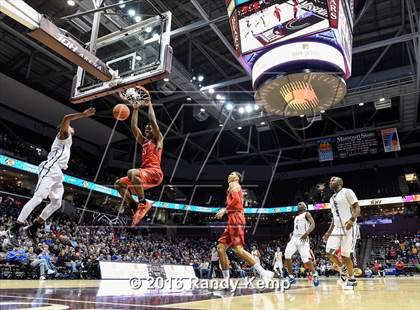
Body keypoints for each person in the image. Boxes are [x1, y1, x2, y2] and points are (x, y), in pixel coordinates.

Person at [7, 108, 96, 246]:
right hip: (50, 167)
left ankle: (34, 227)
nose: (71, 128)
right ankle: (15, 228)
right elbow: (66, 117)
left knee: (57, 203)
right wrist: (83, 115)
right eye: (69, 127)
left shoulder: (68, 142)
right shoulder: (63, 135)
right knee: (37, 198)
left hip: (58, 172)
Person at [215, 172, 273, 289]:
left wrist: (224, 210)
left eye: (231, 174)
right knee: (220, 248)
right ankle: (226, 280)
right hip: (233, 219)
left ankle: (264, 273)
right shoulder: (234, 186)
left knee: (238, 250)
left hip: (236, 218)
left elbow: (236, 201)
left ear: (237, 177)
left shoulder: (233, 185)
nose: (228, 176)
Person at [114, 100, 163, 225]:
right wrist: (135, 109)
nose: (147, 127)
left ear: (155, 130)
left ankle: (143, 202)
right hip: (144, 174)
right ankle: (134, 206)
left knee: (132, 172)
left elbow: (152, 121)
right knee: (118, 184)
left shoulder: (158, 139)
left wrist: (150, 104)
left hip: (155, 173)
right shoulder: (144, 141)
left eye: (150, 127)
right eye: (146, 126)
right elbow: (134, 128)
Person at [323, 176, 360, 289]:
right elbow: (334, 218)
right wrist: (328, 232)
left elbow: (357, 208)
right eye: (330, 181)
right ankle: (342, 268)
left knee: (345, 255)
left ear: (340, 183)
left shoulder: (347, 192)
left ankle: (352, 279)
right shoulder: (331, 198)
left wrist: (352, 220)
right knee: (329, 251)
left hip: (349, 226)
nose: (330, 182)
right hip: (337, 228)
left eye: (333, 180)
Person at [284, 202, 319, 287]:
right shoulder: (296, 217)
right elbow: (297, 228)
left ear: (305, 207)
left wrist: (307, 233)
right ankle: (291, 276)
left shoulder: (307, 214)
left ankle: (315, 274)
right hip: (294, 238)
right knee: (287, 254)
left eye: (301, 204)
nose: (298, 205)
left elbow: (313, 224)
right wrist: (292, 233)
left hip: (303, 238)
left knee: (305, 259)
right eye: (298, 204)